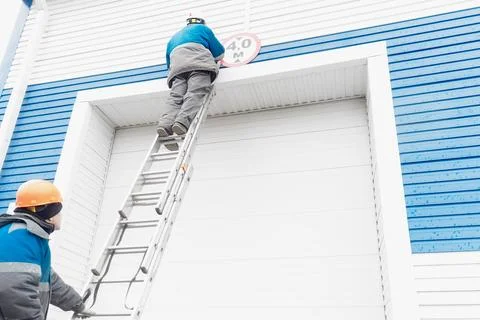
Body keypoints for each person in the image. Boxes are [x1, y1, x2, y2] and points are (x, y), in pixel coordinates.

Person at [0, 179, 95, 319]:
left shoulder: (27, 236)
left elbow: (48, 279)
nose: (61, 215)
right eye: (59, 211)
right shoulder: (22, 237)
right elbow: (15, 292)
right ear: (49, 216)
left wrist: (77, 304)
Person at [157, 10, 225, 150]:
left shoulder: (173, 38)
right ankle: (182, 122)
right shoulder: (203, 29)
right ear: (201, 21)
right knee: (194, 92)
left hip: (177, 69)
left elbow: (169, 64)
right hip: (198, 64)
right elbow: (220, 53)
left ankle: (165, 124)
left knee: (175, 97)